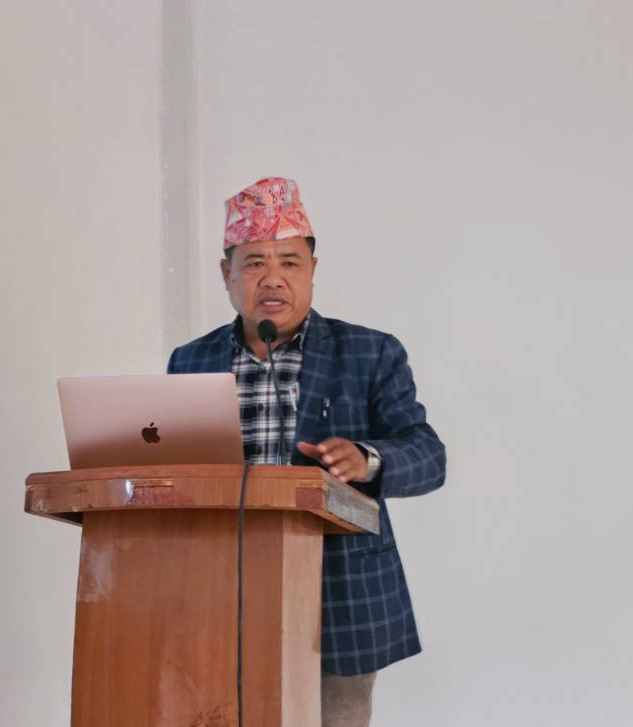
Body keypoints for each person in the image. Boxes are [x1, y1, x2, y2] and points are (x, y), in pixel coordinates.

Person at [167, 177, 446, 727]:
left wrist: (367, 458)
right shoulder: (190, 360)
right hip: (222, 581)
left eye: (290, 263)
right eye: (254, 263)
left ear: (313, 270)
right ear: (226, 274)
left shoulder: (369, 351)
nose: (273, 278)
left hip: (339, 586)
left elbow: (429, 456)